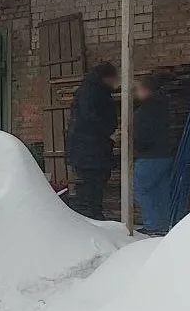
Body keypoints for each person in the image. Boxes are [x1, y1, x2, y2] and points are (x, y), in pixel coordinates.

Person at [67, 61, 119, 220]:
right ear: (106, 78)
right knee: (91, 183)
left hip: (93, 148)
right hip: (89, 149)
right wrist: (108, 132)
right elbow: (91, 117)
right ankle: (89, 216)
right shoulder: (91, 92)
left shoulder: (96, 91)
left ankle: (93, 213)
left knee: (96, 183)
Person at [131, 75, 173, 236]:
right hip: (165, 153)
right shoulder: (163, 105)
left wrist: (136, 145)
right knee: (161, 190)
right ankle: (163, 224)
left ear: (145, 90)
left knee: (141, 189)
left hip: (150, 155)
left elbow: (143, 135)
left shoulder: (145, 110)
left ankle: (152, 225)